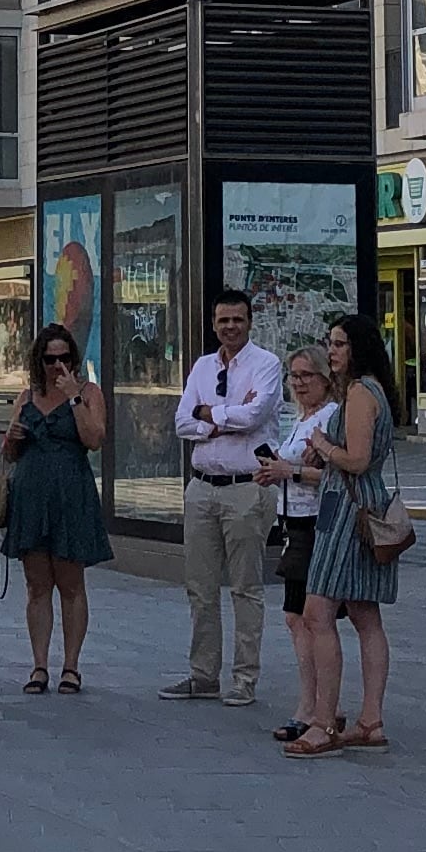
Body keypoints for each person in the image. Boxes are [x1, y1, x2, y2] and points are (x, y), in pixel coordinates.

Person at [289, 307, 405, 756]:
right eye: (330, 343)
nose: (331, 351)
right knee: (364, 613)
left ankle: (323, 721)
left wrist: (321, 445)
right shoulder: (373, 391)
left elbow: (356, 459)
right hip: (363, 503)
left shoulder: (359, 393)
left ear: (357, 348)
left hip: (349, 509)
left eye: (338, 343)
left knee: (318, 611)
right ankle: (370, 719)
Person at [163, 286, 282, 703]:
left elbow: (256, 416)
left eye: (238, 319)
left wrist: (208, 413)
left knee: (246, 587)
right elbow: (180, 421)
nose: (230, 327)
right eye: (223, 320)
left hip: (247, 488)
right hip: (201, 487)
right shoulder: (201, 367)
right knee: (200, 586)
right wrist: (215, 420)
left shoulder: (266, 365)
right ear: (213, 324)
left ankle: (244, 679)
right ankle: (203, 675)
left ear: (250, 321)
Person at [0, 323, 112, 691]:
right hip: (32, 494)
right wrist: (12, 437)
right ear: (39, 360)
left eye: (64, 358)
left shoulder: (88, 392)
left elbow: (94, 439)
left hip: (70, 493)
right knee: (37, 585)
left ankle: (72, 666)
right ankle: (39, 665)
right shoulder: (27, 396)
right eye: (50, 359)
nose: (57, 366)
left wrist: (73, 397)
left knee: (71, 582)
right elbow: (10, 453)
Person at [265, 346, 336, 745]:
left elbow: (329, 473)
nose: (299, 383)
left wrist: (288, 470)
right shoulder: (300, 418)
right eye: (294, 375)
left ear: (325, 378)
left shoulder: (329, 417)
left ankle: (313, 707)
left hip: (313, 522)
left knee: (306, 617)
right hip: (292, 519)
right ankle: (317, 703)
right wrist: (278, 471)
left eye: (307, 375)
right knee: (297, 616)